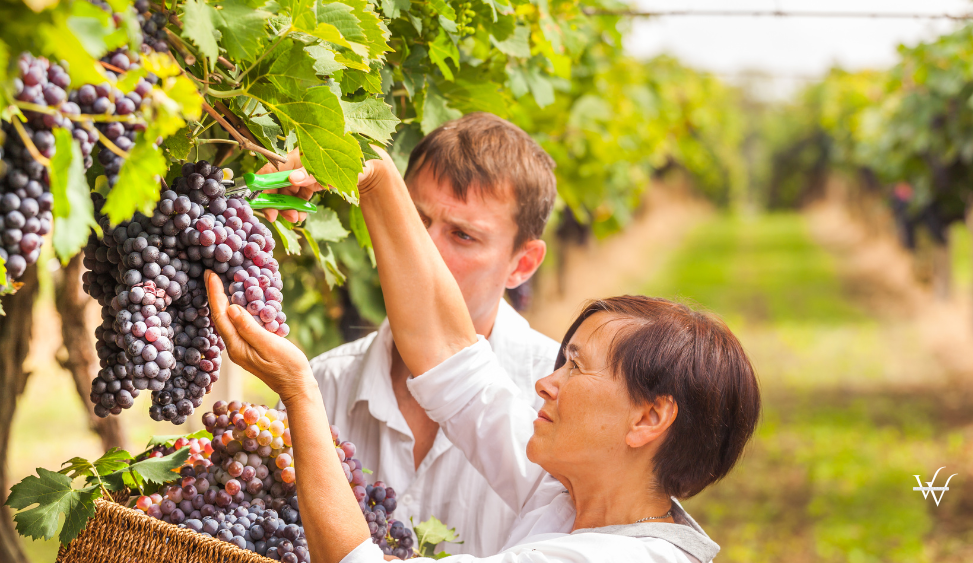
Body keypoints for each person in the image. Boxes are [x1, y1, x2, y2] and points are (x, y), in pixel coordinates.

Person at [206, 146, 762, 562]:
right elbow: (450, 356)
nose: (547, 381)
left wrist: (300, 393)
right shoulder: (575, 497)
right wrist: (370, 175)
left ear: (649, 417)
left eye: (578, 367)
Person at [259, 113, 561, 556]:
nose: (426, 250)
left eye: (462, 235)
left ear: (523, 264)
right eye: (414, 221)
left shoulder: (557, 407)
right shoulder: (321, 387)